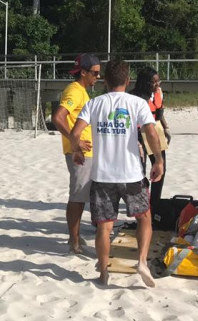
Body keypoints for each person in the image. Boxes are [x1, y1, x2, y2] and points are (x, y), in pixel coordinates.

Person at [70, 59, 163, 287]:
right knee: (144, 218)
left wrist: (77, 150)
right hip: (131, 173)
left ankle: (103, 271)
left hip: (102, 175)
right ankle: (141, 261)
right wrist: (158, 160)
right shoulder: (137, 103)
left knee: (104, 225)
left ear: (104, 80)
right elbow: (151, 133)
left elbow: (75, 132)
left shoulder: (94, 103)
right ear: (128, 80)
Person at [52, 54, 101, 254]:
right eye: (95, 73)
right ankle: (74, 241)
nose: (98, 77)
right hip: (79, 153)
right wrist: (76, 141)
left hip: (84, 151)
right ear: (83, 72)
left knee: (82, 195)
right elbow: (57, 117)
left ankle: (76, 236)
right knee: (78, 196)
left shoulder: (81, 91)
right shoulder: (75, 91)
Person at [129, 67, 170, 204]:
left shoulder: (158, 93)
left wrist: (166, 128)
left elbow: (159, 112)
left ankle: (155, 201)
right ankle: (139, 199)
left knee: (160, 166)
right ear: (145, 83)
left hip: (155, 130)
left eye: (158, 81)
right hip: (138, 133)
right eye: (154, 82)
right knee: (140, 168)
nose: (157, 85)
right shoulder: (133, 97)